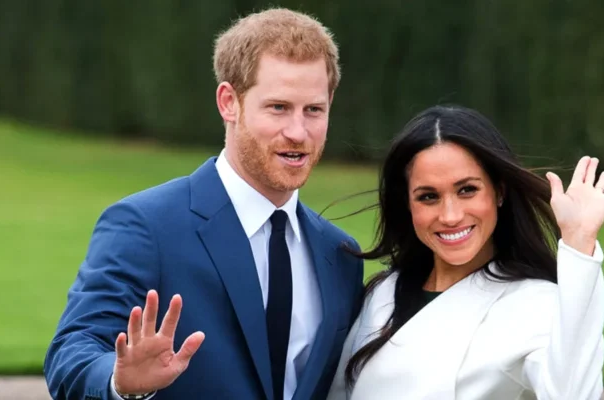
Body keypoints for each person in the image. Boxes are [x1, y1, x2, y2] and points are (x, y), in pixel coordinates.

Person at [43, 8, 365, 400]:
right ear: (229, 102)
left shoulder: (341, 253)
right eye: (278, 107)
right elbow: (72, 352)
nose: (298, 132)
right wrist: (119, 381)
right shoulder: (146, 226)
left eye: (313, 110)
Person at [326, 105, 604, 399]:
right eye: (428, 197)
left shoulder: (534, 303)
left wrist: (579, 243)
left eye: (467, 190)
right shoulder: (382, 293)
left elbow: (571, 394)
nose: (451, 215)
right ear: (407, 204)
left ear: (499, 191)